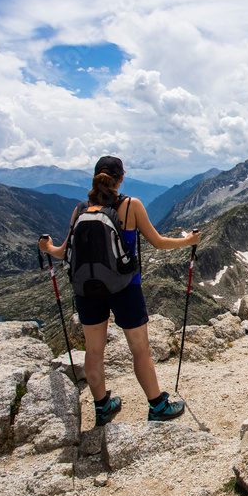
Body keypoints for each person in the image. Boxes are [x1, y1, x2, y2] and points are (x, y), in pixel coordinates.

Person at [38, 155, 201, 425]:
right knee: (140, 350)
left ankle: (102, 407)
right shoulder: (130, 206)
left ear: (94, 178)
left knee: (93, 351)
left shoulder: (80, 210)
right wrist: (189, 241)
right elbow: (158, 242)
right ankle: (157, 406)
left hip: (87, 291)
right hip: (126, 288)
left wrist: (47, 248)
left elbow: (63, 252)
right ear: (121, 178)